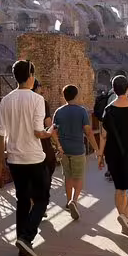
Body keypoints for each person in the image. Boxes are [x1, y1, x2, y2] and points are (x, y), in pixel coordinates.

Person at [0, 60, 52, 256]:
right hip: (34, 157)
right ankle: (27, 238)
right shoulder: (37, 99)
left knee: (22, 201)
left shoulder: (6, 100)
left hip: (14, 158)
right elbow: (38, 132)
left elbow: (1, 132)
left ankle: (22, 246)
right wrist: (50, 133)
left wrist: (1, 160)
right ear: (30, 76)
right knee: (42, 199)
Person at [97, 75, 128, 238]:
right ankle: (125, 216)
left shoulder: (108, 109)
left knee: (120, 189)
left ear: (113, 89)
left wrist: (100, 155)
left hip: (113, 153)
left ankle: (124, 219)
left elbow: (104, 135)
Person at [52, 85, 101, 220]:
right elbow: (89, 132)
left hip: (64, 150)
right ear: (76, 95)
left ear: (64, 96)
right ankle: (74, 200)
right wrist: (97, 149)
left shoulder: (58, 111)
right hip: (78, 149)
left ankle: (68, 201)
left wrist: (59, 146)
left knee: (67, 176)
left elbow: (53, 131)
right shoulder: (82, 111)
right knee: (78, 177)